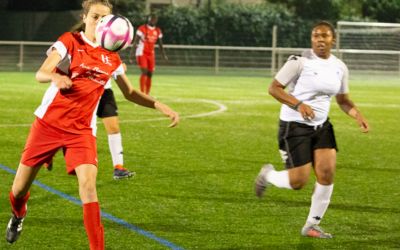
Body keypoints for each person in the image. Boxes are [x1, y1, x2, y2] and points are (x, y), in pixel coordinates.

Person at [5, 1, 179, 249]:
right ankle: (18, 215)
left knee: (88, 188)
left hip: (82, 132)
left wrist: (161, 106)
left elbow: (130, 92)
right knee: (19, 190)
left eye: (104, 18)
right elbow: (41, 72)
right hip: (48, 125)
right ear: (84, 17)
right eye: (95, 16)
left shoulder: (112, 57)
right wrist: (55, 76)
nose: (99, 22)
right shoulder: (70, 41)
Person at [254, 21, 369, 239]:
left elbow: (343, 100)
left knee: (326, 173)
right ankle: (268, 175)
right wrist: (298, 104)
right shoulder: (299, 62)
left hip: (322, 126)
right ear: (311, 39)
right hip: (294, 125)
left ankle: (311, 225)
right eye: (316, 36)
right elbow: (273, 89)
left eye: (324, 36)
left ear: (332, 40)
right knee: (299, 182)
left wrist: (357, 115)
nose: (320, 40)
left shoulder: (340, 67)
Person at [129, 13, 168, 95]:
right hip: (141, 52)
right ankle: (142, 93)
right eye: (151, 19)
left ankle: (147, 93)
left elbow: (160, 44)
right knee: (145, 72)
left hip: (151, 54)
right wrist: (131, 54)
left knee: (150, 74)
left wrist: (163, 55)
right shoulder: (142, 28)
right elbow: (135, 42)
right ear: (148, 19)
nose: (153, 20)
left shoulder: (158, 30)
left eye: (154, 19)